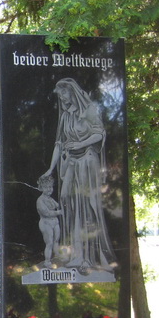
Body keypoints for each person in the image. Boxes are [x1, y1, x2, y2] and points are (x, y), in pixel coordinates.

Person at [41, 78, 116, 272]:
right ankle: (74, 254)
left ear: (72, 92)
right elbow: (59, 144)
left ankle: (88, 257)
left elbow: (99, 134)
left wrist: (80, 144)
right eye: (60, 96)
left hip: (87, 161)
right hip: (72, 163)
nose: (62, 98)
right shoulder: (66, 116)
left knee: (85, 204)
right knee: (66, 199)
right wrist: (50, 169)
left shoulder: (89, 110)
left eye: (64, 94)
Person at [36, 176, 62, 267]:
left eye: (50, 187)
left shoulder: (50, 199)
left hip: (55, 222)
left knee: (56, 240)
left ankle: (57, 256)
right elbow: (46, 213)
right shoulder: (40, 200)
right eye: (46, 187)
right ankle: (47, 261)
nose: (49, 189)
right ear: (41, 188)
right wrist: (58, 212)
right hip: (46, 223)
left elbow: (57, 205)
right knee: (49, 242)